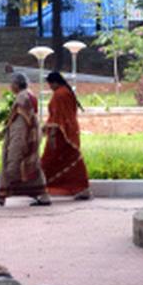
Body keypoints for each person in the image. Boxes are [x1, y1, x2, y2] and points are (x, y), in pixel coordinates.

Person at [0, 72, 49, 206]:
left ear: (16, 84)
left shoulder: (22, 99)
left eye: (11, 84)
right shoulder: (29, 95)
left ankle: (3, 195)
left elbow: (21, 124)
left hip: (22, 137)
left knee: (13, 166)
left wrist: (16, 143)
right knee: (31, 166)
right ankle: (2, 195)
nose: (10, 86)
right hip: (31, 136)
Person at [42, 71, 91, 200]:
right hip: (69, 132)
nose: (49, 87)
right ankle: (82, 188)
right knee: (72, 160)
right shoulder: (66, 91)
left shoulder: (59, 94)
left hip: (60, 133)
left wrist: (51, 134)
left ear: (54, 82)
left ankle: (41, 190)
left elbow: (57, 117)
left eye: (49, 84)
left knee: (48, 161)